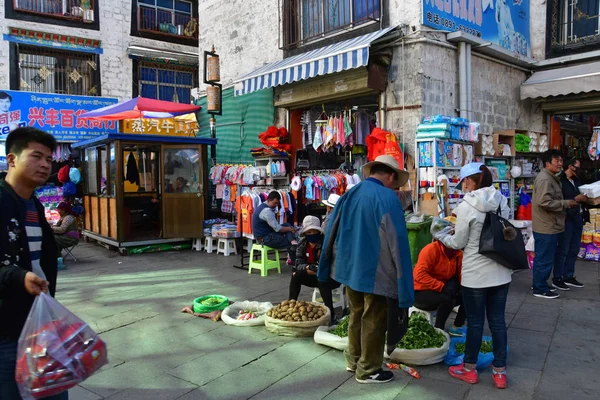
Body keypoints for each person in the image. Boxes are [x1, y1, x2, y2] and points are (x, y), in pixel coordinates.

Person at [318, 155, 414, 384]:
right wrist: (404, 282)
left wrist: (326, 264)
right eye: (395, 180)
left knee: (356, 314)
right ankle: (369, 369)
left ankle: (353, 359)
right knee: (374, 319)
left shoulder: (350, 193)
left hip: (349, 268)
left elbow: (332, 227)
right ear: (391, 175)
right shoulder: (388, 198)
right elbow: (398, 242)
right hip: (375, 272)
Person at [0, 127, 66, 399]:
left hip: (40, 321)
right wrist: (17, 277)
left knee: (53, 393)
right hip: (7, 329)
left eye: (49, 159)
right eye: (36, 156)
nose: (45, 164)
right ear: (12, 159)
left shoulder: (34, 205)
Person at [435, 162, 511, 389]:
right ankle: (500, 373)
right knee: (498, 321)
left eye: (463, 182)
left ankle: (469, 369)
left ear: (469, 181)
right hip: (501, 272)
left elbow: (458, 243)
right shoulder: (501, 201)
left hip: (475, 276)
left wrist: (440, 235)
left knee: (476, 323)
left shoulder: (465, 206)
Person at [532, 150, 585, 299]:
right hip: (545, 225)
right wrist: (566, 203)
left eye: (561, 161)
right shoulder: (545, 179)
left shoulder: (551, 177)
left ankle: (541, 283)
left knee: (546, 257)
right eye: (557, 161)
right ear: (548, 163)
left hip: (551, 224)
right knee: (544, 258)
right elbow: (544, 201)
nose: (561, 164)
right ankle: (539, 288)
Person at [289, 215, 341, 324]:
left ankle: (331, 315)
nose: (312, 235)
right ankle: (291, 305)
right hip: (311, 274)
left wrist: (318, 270)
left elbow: (332, 264)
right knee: (296, 275)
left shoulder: (326, 244)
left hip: (329, 278)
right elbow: (298, 263)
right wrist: (307, 268)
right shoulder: (303, 244)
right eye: (309, 232)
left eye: (314, 232)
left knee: (322, 279)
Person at [413, 240, 466, 335]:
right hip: (420, 292)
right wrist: (441, 286)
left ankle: (457, 326)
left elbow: (461, 275)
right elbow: (420, 275)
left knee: (468, 294)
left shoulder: (458, 254)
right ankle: (438, 330)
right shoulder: (431, 250)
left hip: (442, 290)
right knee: (447, 299)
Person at [554, 158, 586, 289]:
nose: (578, 170)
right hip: (566, 218)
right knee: (563, 248)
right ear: (570, 167)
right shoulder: (560, 182)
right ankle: (558, 276)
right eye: (576, 167)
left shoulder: (577, 181)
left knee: (574, 248)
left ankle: (569, 275)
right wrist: (574, 199)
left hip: (578, 217)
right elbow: (559, 201)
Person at [252, 191, 298, 264]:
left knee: (286, 224)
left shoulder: (262, 206)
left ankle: (293, 240)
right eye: (275, 203)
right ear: (269, 200)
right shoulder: (267, 211)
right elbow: (277, 228)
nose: (276, 205)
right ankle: (296, 262)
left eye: (277, 203)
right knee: (291, 243)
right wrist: (290, 229)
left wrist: (288, 228)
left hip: (265, 235)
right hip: (265, 238)